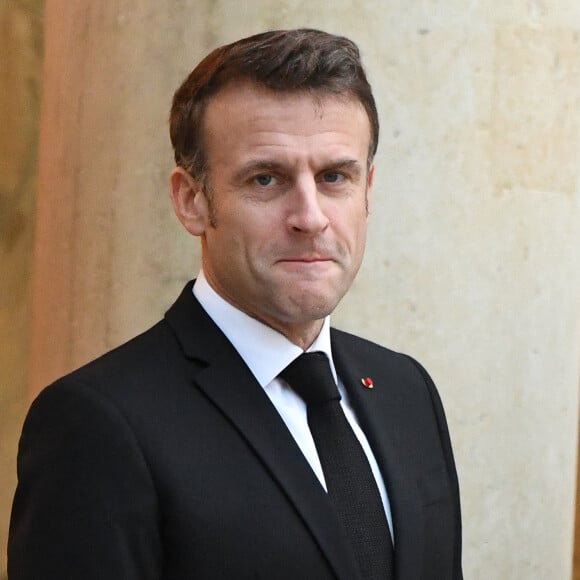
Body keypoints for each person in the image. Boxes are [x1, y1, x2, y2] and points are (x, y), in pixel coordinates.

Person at [8, 29, 462, 580]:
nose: (310, 216)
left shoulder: (406, 390)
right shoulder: (98, 423)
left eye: (334, 177)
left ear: (368, 190)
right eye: (266, 178)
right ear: (192, 200)